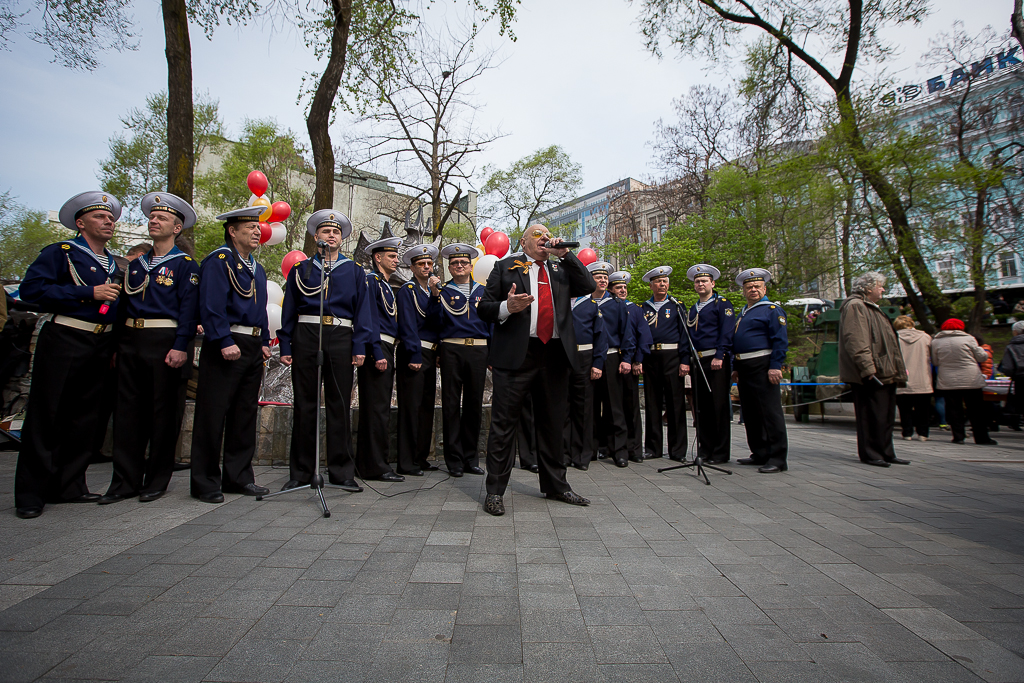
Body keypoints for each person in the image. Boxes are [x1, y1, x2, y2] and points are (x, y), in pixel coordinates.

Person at [14, 192, 123, 519]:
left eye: (110, 218)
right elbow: (31, 292)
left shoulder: (115, 263)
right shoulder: (60, 253)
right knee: (47, 415)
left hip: (99, 343)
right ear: (80, 223)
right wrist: (87, 292)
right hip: (65, 337)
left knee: (84, 418)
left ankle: (70, 484)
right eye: (100, 217)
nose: (108, 222)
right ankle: (31, 494)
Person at [477, 224, 596, 516]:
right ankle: (494, 491)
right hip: (518, 355)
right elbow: (484, 308)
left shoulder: (560, 268)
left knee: (554, 424)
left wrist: (566, 255)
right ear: (523, 242)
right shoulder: (505, 267)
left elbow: (589, 286)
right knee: (504, 426)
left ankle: (557, 485)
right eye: (537, 235)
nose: (543, 238)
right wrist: (507, 306)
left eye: (547, 235)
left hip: (554, 354)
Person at [98, 192, 200, 504]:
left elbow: (188, 309)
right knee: (128, 414)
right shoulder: (135, 265)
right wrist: (117, 346)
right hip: (131, 342)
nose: (154, 221)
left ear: (177, 228)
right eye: (152, 217)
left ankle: (156, 479)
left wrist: (181, 345)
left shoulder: (185, 266)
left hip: (165, 343)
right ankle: (124, 481)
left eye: (162, 218)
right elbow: (121, 308)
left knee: (164, 415)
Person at [278, 209, 370, 493]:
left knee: (339, 404)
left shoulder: (354, 271)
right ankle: (302, 471)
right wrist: (285, 344)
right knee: (305, 404)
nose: (331, 235)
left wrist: (359, 345)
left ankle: (341, 472)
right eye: (326, 231)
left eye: (336, 232)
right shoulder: (301, 270)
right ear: (316, 236)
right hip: (306, 335)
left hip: (341, 335)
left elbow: (362, 312)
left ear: (342, 239)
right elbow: (289, 310)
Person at [189, 207, 272, 503]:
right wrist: (222, 338)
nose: (256, 231)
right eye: (249, 226)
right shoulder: (219, 261)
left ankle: (238, 477)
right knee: (213, 414)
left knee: (243, 414)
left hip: (250, 345)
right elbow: (211, 304)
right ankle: (205, 481)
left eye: (257, 227)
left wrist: (263, 339)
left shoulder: (256, 268)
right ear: (232, 231)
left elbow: (260, 308)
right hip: (227, 342)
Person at [838, 272, 910, 468]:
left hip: (884, 370)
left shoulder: (871, 307)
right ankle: (872, 453)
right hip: (871, 372)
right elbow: (856, 340)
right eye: (880, 286)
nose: (883, 289)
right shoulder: (856, 306)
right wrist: (867, 368)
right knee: (871, 415)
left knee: (886, 415)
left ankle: (886, 452)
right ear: (868, 288)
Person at [356, 229, 405, 483]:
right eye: (392, 256)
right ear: (378, 258)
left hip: (387, 346)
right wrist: (376, 351)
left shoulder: (385, 284)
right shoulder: (372, 282)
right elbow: (370, 319)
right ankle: (375, 466)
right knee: (376, 410)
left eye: (396, 256)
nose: (396, 260)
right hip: (377, 347)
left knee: (380, 408)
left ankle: (369, 463)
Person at [437, 243, 489, 477]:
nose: (459, 266)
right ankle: (454, 460)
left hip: (478, 350)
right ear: (449, 267)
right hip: (452, 350)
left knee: (473, 405)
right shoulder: (443, 292)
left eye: (464, 263)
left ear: (471, 266)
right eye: (455, 263)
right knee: (450, 405)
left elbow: (492, 324)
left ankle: (471, 458)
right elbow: (435, 323)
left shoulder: (483, 291)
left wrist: (493, 354)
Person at [731, 268, 789, 473]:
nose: (753, 290)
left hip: (763, 365)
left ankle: (777, 457)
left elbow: (780, 340)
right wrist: (735, 367)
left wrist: (775, 365)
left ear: (764, 288)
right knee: (751, 412)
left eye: (757, 286)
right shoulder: (744, 312)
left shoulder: (772, 310)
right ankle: (759, 452)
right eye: (749, 287)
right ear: (744, 291)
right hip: (744, 367)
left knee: (770, 412)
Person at [395, 243, 442, 476]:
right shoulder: (407, 290)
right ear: (412, 268)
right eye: (421, 264)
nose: (426, 267)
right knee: (410, 408)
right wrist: (414, 355)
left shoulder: (430, 292)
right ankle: (405, 461)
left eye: (429, 264)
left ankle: (420, 457)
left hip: (430, 353)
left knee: (425, 408)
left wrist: (435, 294)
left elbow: (435, 321)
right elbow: (407, 325)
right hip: (413, 353)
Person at [682, 264, 734, 464]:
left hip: (716, 360)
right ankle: (705, 449)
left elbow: (727, 332)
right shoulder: (694, 308)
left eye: (704, 281)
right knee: (702, 407)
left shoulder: (722, 304)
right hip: (699, 361)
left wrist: (720, 355)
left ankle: (720, 452)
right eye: (697, 282)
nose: (700, 284)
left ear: (712, 283)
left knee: (718, 406)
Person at [589, 261, 635, 467]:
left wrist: (626, 359)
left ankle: (619, 451)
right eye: (598, 277)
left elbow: (627, 333)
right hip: (589, 359)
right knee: (590, 406)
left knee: (614, 407)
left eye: (605, 278)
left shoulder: (617, 304)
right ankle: (591, 449)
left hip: (611, 357)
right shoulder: (585, 304)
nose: (603, 280)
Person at [641, 266, 689, 462]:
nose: (662, 284)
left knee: (675, 404)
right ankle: (653, 448)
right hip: (651, 357)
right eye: (658, 282)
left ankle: (678, 450)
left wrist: (685, 360)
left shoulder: (677, 305)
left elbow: (686, 335)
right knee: (652, 404)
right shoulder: (643, 308)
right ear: (651, 285)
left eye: (665, 281)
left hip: (672, 357)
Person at [563, 269, 608, 471]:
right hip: (562, 359)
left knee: (583, 408)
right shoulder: (558, 302)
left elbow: (601, 337)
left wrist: (597, 364)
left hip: (584, 358)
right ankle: (564, 454)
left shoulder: (590, 305)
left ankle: (582, 455)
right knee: (563, 408)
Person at [931, 318, 997, 446]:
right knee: (976, 409)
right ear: (961, 327)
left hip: (948, 380)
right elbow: (982, 356)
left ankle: (958, 436)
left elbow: (935, 361)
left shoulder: (936, 342)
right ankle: (981, 437)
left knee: (954, 409)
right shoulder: (969, 339)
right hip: (970, 378)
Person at [610, 271, 650, 463]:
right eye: (618, 288)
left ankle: (635, 449)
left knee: (632, 407)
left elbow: (643, 336)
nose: (623, 290)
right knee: (614, 407)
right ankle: (615, 447)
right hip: (611, 362)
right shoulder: (607, 307)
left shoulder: (635, 309)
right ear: (611, 290)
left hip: (631, 362)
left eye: (625, 287)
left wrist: (638, 360)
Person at [893, 315, 932, 442]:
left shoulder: (894, 338)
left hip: (902, 378)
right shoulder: (925, 337)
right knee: (923, 409)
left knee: (904, 409)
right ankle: (923, 433)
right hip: (922, 378)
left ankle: (907, 432)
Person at [997, 321, 1024, 428]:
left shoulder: (1012, 346)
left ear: (1015, 332)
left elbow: (1007, 367)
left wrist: (1010, 374)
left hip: (1020, 378)